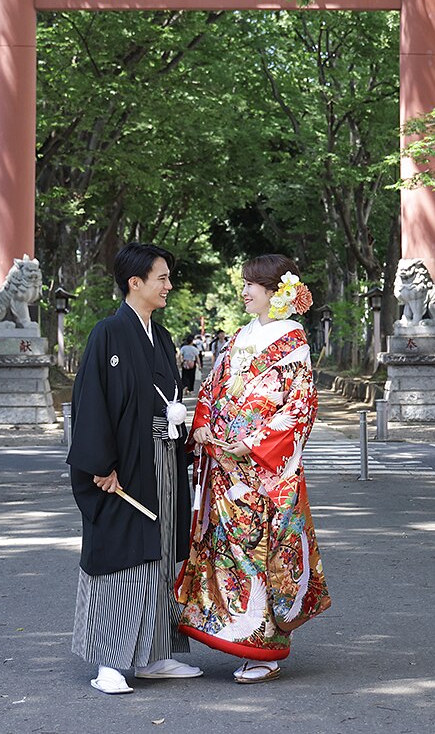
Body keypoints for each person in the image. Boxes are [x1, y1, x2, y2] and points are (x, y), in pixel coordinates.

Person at [176, 254, 331, 684]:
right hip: (226, 467)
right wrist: (204, 425)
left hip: (261, 469)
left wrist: (252, 442)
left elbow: (299, 407)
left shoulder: (293, 340)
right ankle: (233, 634)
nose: (244, 291)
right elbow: (211, 388)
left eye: (251, 284)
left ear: (274, 291)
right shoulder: (243, 335)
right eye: (245, 284)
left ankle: (264, 650)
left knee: (263, 554)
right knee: (228, 551)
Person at [68, 242, 202, 694]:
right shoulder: (108, 333)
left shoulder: (161, 338)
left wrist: (180, 423)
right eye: (162, 278)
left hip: (162, 458)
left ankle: (154, 656)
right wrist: (100, 464)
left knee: (161, 552)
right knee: (120, 555)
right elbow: (91, 403)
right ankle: (109, 661)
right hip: (122, 465)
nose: (169, 285)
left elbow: (168, 400)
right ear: (135, 282)